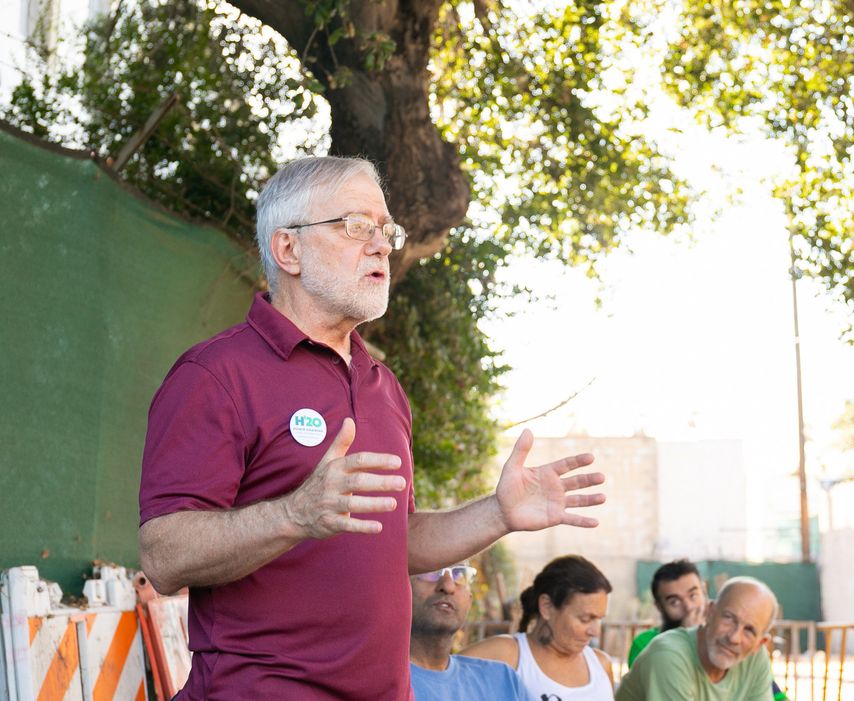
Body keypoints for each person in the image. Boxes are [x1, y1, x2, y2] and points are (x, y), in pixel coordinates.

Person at [137, 156, 606, 699]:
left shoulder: (383, 386)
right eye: (357, 226)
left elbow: (395, 541)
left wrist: (497, 513)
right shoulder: (216, 375)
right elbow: (163, 557)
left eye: (387, 230)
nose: (383, 244)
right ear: (288, 249)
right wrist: (293, 514)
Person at [461, 555, 615, 700]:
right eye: (585, 619)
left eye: (600, 619)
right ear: (547, 606)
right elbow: (439, 681)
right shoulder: (506, 655)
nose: (595, 631)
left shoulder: (601, 665)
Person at [615, 576, 777, 701]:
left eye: (749, 630)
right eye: (728, 618)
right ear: (710, 612)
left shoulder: (756, 658)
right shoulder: (669, 654)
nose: (734, 638)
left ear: (759, 644)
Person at [408, 562, 535, 700]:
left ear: (469, 600)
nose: (448, 586)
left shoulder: (503, 681)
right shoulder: (384, 683)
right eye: (431, 571)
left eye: (460, 574)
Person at [628, 560, 706, 666]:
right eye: (675, 602)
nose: (688, 607)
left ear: (704, 591)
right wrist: (689, 639)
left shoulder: (725, 639)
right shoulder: (644, 644)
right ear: (659, 607)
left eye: (693, 595)